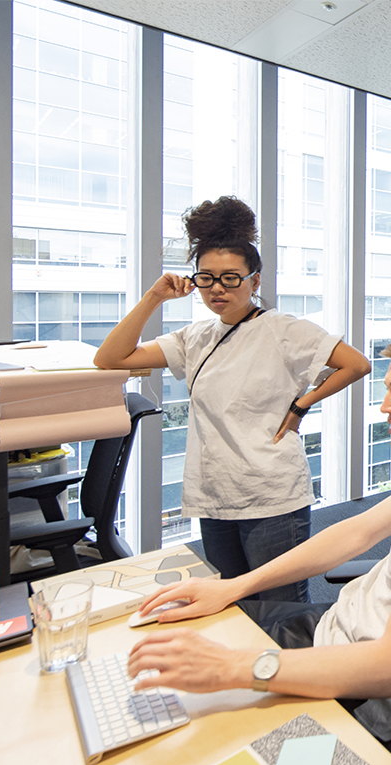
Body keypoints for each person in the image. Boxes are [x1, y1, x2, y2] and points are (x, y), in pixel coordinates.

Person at [126, 329, 391, 753]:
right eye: (388, 391)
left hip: (352, 690)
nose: (385, 407)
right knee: (184, 636)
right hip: (334, 629)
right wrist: (234, 586)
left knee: (173, 738)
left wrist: (231, 668)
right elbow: (359, 531)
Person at [95, 196, 371, 602]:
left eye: (230, 278)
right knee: (231, 604)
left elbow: (357, 364)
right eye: (206, 278)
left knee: (279, 607)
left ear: (254, 282)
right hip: (215, 494)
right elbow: (110, 359)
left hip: (271, 495)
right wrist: (154, 296)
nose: (218, 288)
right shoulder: (195, 337)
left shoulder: (283, 329)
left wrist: (302, 405)